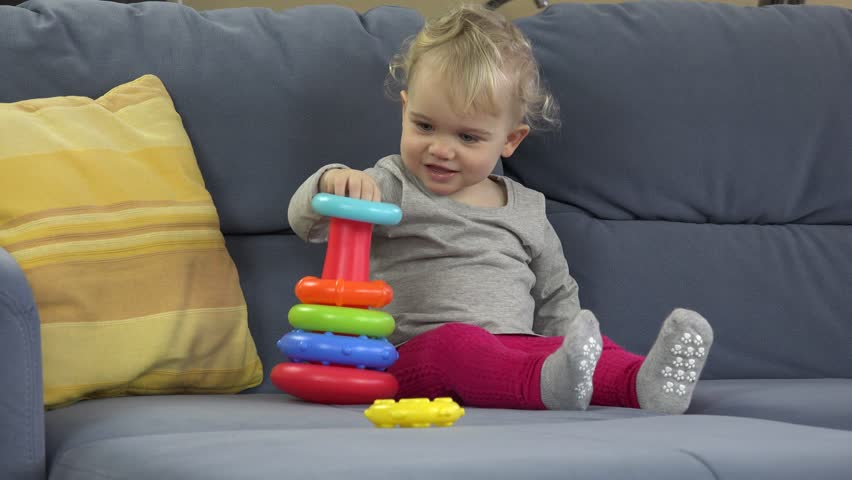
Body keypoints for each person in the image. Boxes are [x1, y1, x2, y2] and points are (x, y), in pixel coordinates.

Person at [288, 4, 713, 413]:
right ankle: (546, 384)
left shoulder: (527, 207)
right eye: (424, 125)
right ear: (405, 111)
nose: (440, 149)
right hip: (413, 355)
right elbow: (305, 221)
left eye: (468, 138)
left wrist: (573, 348)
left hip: (518, 345)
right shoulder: (388, 183)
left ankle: (644, 383)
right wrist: (331, 181)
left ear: (510, 140)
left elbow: (555, 293)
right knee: (457, 344)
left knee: (590, 349)